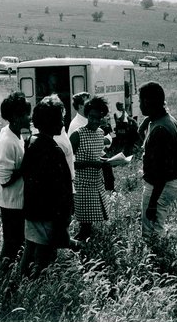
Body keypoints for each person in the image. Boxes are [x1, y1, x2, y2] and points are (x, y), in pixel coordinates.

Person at [20, 96, 77, 279]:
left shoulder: (32, 142)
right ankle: (34, 289)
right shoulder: (53, 150)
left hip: (33, 210)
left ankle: (21, 285)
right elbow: (61, 189)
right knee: (44, 256)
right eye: (60, 119)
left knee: (31, 250)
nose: (63, 123)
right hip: (48, 214)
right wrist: (63, 218)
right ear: (51, 122)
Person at [138, 81, 177, 243]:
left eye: (140, 100)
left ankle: (156, 263)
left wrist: (152, 203)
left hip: (160, 186)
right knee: (157, 225)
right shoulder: (167, 120)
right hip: (169, 184)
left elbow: (160, 172)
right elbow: (145, 142)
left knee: (151, 230)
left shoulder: (159, 130)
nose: (139, 105)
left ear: (147, 102)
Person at [0, 92, 31, 280]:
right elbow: (5, 179)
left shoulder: (15, 134)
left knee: (18, 243)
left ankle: (12, 279)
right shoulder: (7, 141)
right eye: (26, 114)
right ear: (16, 117)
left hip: (19, 201)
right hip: (11, 204)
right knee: (11, 244)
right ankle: (3, 281)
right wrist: (27, 165)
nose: (29, 117)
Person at [69, 96, 110, 241]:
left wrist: (106, 161)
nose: (94, 121)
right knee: (85, 225)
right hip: (83, 184)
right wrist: (90, 164)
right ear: (86, 115)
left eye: (98, 118)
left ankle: (86, 246)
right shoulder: (77, 135)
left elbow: (98, 155)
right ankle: (80, 249)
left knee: (91, 223)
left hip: (97, 182)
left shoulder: (100, 133)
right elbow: (68, 163)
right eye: (92, 117)